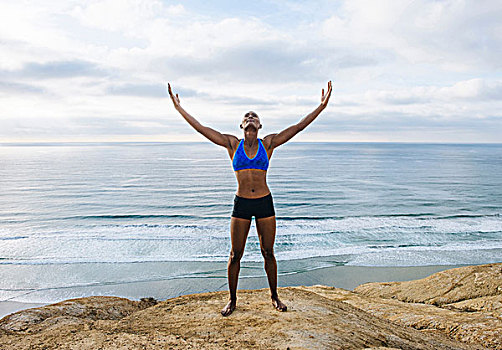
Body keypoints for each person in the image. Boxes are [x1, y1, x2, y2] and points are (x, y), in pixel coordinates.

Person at [167, 81, 332, 316]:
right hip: (242, 204)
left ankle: (274, 296)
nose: (251, 117)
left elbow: (297, 127)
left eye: (254, 116)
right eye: (247, 116)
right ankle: (232, 300)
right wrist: (179, 109)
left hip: (264, 202)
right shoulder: (232, 144)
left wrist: (321, 107)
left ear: (260, 125)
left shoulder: (269, 143)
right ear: (242, 125)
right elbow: (201, 128)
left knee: (268, 252)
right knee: (235, 254)